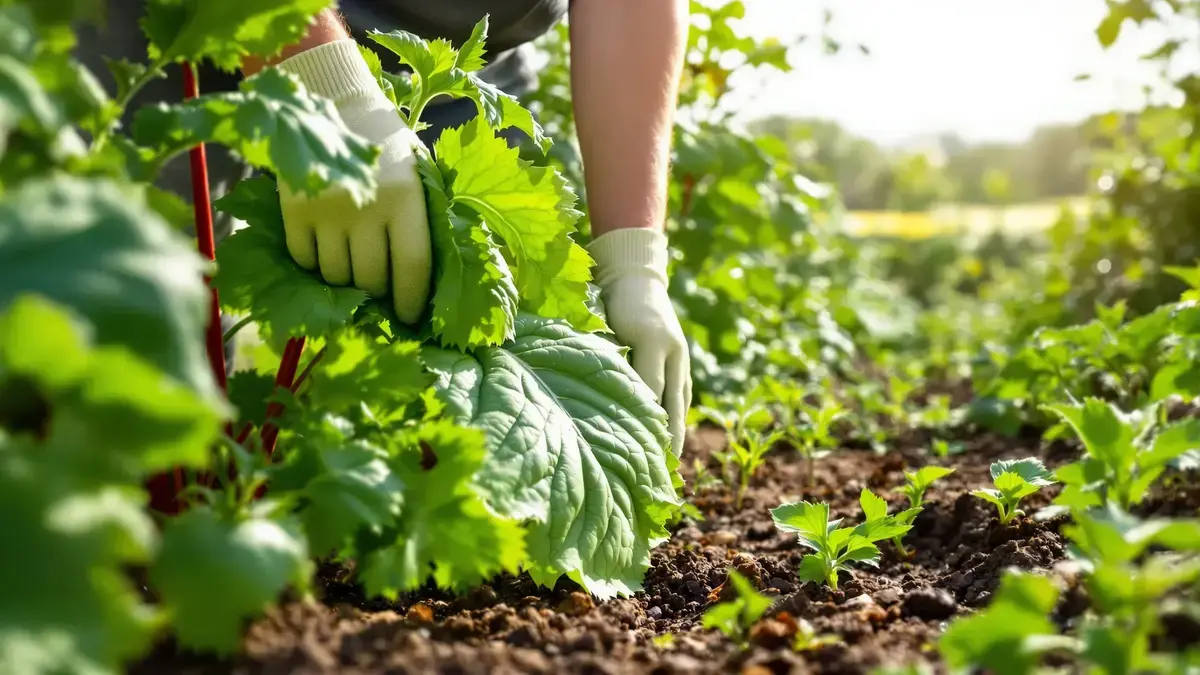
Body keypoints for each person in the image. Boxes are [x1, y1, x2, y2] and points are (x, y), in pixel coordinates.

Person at [80, 1, 693, 455]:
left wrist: (633, 257)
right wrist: (325, 86)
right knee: (120, 360)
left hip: (450, 48)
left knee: (474, 368)